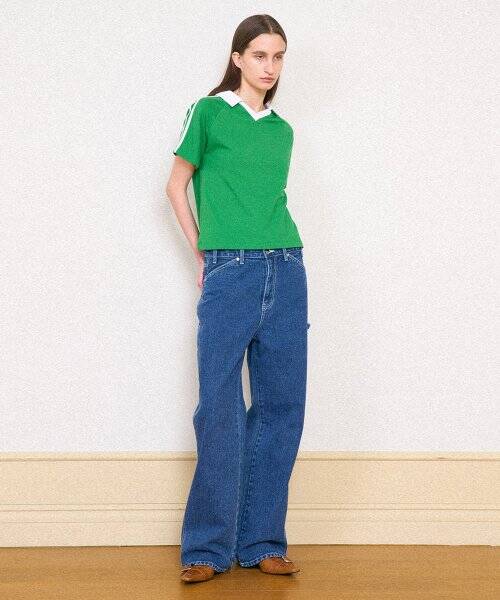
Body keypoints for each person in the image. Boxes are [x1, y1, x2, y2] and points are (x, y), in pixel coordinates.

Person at [166, 14, 309, 584]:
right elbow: (176, 184)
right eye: (259, 56)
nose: (270, 67)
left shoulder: (282, 130)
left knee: (281, 406)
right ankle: (206, 548)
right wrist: (203, 252)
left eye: (278, 57)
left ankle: (262, 540)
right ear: (237, 58)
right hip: (230, 269)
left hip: (287, 267)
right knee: (219, 407)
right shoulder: (209, 112)